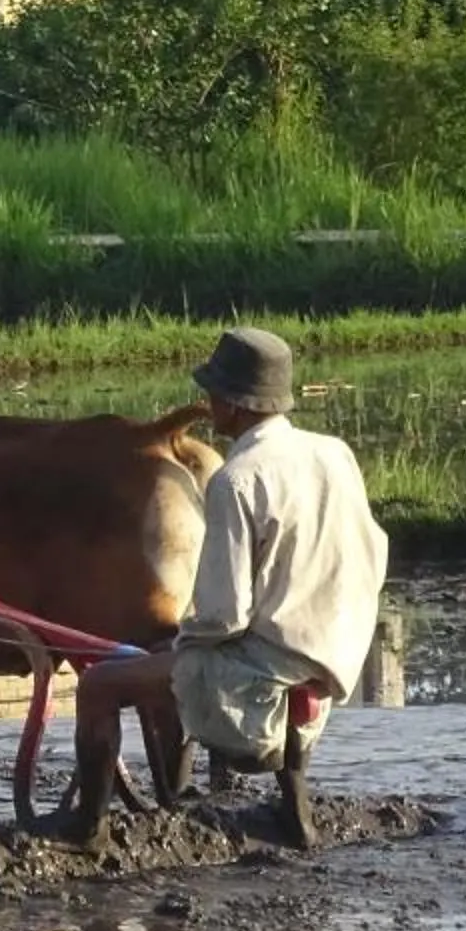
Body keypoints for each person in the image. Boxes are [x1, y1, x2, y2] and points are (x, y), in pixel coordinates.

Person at [51, 326, 387, 850]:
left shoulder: (238, 479)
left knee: (100, 686)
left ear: (234, 403)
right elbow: (372, 549)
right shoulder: (335, 454)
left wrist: (180, 644)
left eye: (213, 393)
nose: (207, 403)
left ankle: (87, 830)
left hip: (260, 667)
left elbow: (223, 614)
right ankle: (296, 812)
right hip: (334, 656)